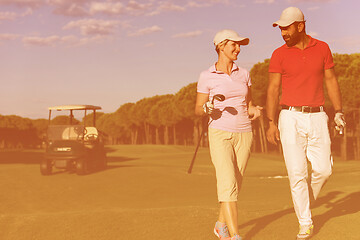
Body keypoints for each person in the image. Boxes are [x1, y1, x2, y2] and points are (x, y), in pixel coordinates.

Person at [266, 7, 346, 240]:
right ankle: (305, 222)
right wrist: (271, 123)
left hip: (318, 116)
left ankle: (304, 203)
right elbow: (272, 89)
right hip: (289, 117)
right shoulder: (278, 53)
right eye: (280, 28)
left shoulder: (322, 48)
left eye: (287, 27)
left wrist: (338, 111)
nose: (283, 33)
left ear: (300, 26)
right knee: (297, 173)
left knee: (324, 169)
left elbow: (331, 80)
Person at [195, 29, 262, 240]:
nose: (238, 49)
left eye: (240, 45)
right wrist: (206, 108)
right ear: (221, 46)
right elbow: (198, 108)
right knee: (227, 182)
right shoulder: (207, 76)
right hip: (219, 132)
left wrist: (255, 110)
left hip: (244, 133)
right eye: (234, 45)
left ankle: (220, 225)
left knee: (235, 184)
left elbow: (248, 103)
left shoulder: (244, 74)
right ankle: (235, 235)